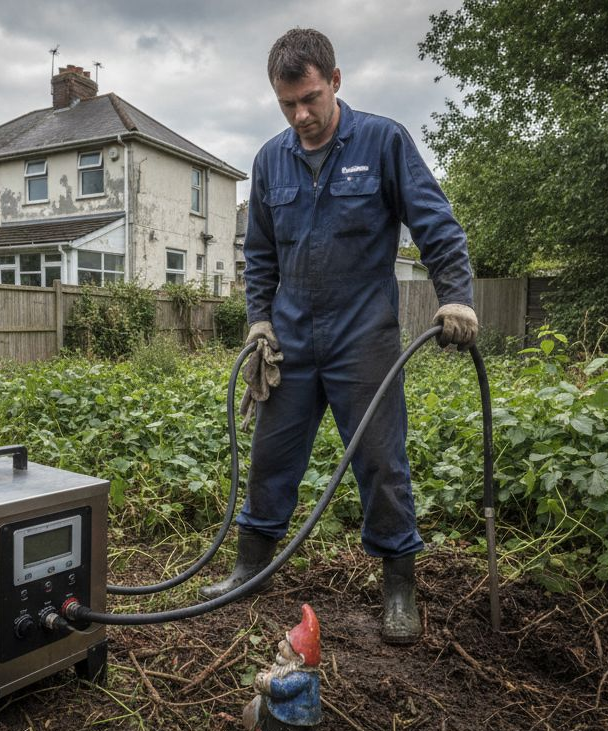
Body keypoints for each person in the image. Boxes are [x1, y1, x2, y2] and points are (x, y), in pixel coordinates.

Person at [201, 28, 478, 646]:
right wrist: (260, 318)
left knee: (382, 462)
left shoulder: (382, 141)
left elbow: (435, 222)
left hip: (365, 338)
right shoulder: (271, 159)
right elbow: (262, 252)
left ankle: (399, 586)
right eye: (287, 104)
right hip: (293, 339)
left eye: (311, 98)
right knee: (271, 456)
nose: (301, 115)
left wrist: (455, 295)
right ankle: (251, 565)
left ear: (335, 82)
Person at [242, 603, 322, 731]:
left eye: (286, 645)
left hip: (292, 716)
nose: (280, 645)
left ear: (300, 658)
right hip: (286, 709)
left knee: (278, 729)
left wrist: (267, 682)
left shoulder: (301, 677)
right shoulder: (295, 670)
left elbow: (282, 688)